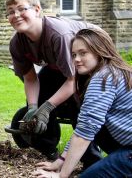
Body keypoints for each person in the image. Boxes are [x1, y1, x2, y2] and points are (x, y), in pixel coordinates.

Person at [5, 0, 102, 164]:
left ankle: (91, 161)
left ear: (37, 9)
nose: (16, 15)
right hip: (60, 66)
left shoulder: (59, 35)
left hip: (94, 63)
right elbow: (30, 78)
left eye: (22, 9)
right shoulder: (17, 43)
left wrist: (48, 107)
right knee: (36, 103)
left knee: (76, 105)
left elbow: (72, 80)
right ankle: (50, 152)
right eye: (11, 12)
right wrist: (34, 108)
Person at [33, 28, 132, 177]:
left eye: (83, 53)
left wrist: (62, 175)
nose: (76, 59)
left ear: (100, 51)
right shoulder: (114, 71)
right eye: (74, 55)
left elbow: (84, 132)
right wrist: (59, 162)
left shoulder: (104, 77)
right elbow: (84, 126)